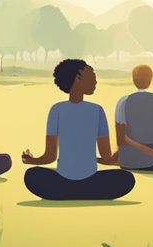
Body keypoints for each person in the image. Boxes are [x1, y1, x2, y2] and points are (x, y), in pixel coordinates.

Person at [22, 60, 135, 201]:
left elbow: (49, 157)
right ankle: (87, 193)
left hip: (61, 183)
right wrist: (121, 157)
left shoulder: (56, 110)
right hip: (91, 182)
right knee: (126, 178)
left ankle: (67, 193)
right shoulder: (97, 111)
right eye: (92, 75)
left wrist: (31, 160)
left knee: (32, 175)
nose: (95, 81)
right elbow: (106, 157)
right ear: (78, 78)